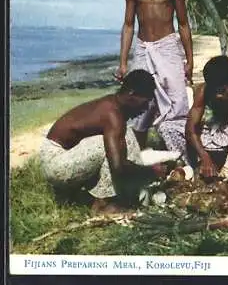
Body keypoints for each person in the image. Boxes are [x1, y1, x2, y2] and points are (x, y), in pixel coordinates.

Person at [39, 70, 168, 214]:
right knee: (110, 147)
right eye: (144, 102)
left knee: (124, 139)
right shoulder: (112, 114)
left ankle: (107, 196)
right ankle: (105, 203)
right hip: (55, 163)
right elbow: (118, 167)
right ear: (131, 93)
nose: (145, 109)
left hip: (60, 158)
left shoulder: (113, 105)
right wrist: (150, 171)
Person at [116, 0, 193, 154]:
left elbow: (184, 25)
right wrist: (123, 62)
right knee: (137, 100)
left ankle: (182, 154)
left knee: (177, 99)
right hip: (142, 48)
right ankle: (137, 154)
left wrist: (189, 60)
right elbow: (129, 25)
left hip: (168, 46)